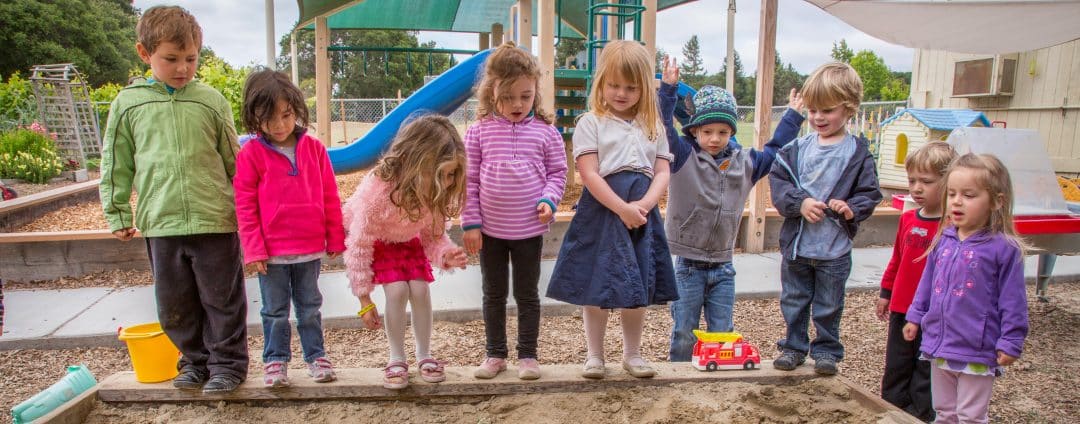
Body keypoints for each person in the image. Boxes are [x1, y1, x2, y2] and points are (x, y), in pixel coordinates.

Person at [99, 5, 248, 394]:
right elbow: (116, 161)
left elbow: (236, 161)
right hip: (161, 220)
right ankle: (195, 363)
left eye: (191, 59)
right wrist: (116, 210)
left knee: (223, 299)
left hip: (214, 217)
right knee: (174, 303)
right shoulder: (128, 104)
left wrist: (250, 211)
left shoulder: (210, 101)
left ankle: (228, 366)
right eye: (171, 59)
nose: (182, 68)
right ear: (144, 53)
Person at [546, 40, 678, 379]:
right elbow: (588, 172)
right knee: (598, 281)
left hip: (642, 213)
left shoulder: (654, 125)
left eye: (631, 87)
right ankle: (595, 356)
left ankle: (632, 354)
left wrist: (644, 206)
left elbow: (662, 171)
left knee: (637, 284)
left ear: (644, 88)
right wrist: (621, 208)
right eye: (614, 85)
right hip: (603, 211)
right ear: (602, 82)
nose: (621, 93)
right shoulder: (591, 121)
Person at [657, 56, 804, 361]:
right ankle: (680, 376)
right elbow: (664, 128)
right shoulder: (683, 156)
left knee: (722, 329)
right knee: (684, 329)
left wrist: (792, 116)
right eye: (707, 131)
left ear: (731, 133)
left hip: (724, 267)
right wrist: (668, 90)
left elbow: (775, 149)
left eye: (723, 132)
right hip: (688, 264)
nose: (714, 138)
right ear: (695, 131)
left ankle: (718, 379)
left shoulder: (745, 163)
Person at [462, 42, 568, 381]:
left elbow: (558, 173)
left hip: (528, 231)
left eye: (525, 96)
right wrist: (471, 224)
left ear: (535, 91)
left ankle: (528, 356)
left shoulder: (546, 132)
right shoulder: (478, 132)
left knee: (527, 295)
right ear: (491, 92)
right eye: (508, 97)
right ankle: (494, 354)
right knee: (493, 294)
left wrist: (549, 200)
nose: (517, 104)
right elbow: (469, 179)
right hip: (490, 231)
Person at [768, 62, 882, 376]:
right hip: (799, 246)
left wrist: (851, 208)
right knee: (794, 299)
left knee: (830, 304)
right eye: (814, 110)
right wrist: (800, 202)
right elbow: (779, 183)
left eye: (827, 110)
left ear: (849, 109)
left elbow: (870, 193)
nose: (818, 117)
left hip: (834, 249)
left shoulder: (857, 152)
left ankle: (827, 351)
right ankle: (793, 347)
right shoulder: (797, 149)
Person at [233, 69, 345, 388]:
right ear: (254, 116)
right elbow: (245, 206)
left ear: (296, 110)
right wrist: (253, 248)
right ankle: (275, 361)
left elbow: (329, 195)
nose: (280, 125)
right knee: (274, 311)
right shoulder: (251, 154)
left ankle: (316, 356)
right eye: (270, 118)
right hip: (272, 253)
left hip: (309, 249)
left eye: (286, 115)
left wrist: (335, 236)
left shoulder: (314, 149)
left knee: (310, 307)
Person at [343, 114, 470, 390]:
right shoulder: (378, 194)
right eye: (443, 174)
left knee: (421, 290)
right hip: (380, 240)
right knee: (398, 290)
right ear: (418, 164)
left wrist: (446, 254)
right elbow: (358, 246)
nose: (448, 183)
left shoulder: (434, 192)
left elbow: (433, 237)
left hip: (407, 240)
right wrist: (364, 300)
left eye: (452, 175)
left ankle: (424, 354)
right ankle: (396, 357)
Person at [904, 153, 1029, 424]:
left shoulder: (1004, 249)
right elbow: (927, 282)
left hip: (976, 349)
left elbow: (1014, 300)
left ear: (997, 201)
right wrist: (915, 315)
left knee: (970, 416)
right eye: (952, 194)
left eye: (969, 195)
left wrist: (1011, 340)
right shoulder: (944, 240)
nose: (957, 202)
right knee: (945, 412)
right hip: (940, 344)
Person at [876, 141, 957, 421]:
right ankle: (892, 409)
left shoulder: (952, 226)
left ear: (948, 183)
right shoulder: (908, 218)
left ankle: (921, 414)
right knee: (897, 362)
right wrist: (886, 292)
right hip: (902, 306)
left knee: (926, 367)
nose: (917, 188)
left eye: (927, 181)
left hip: (934, 312)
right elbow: (897, 259)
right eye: (912, 180)